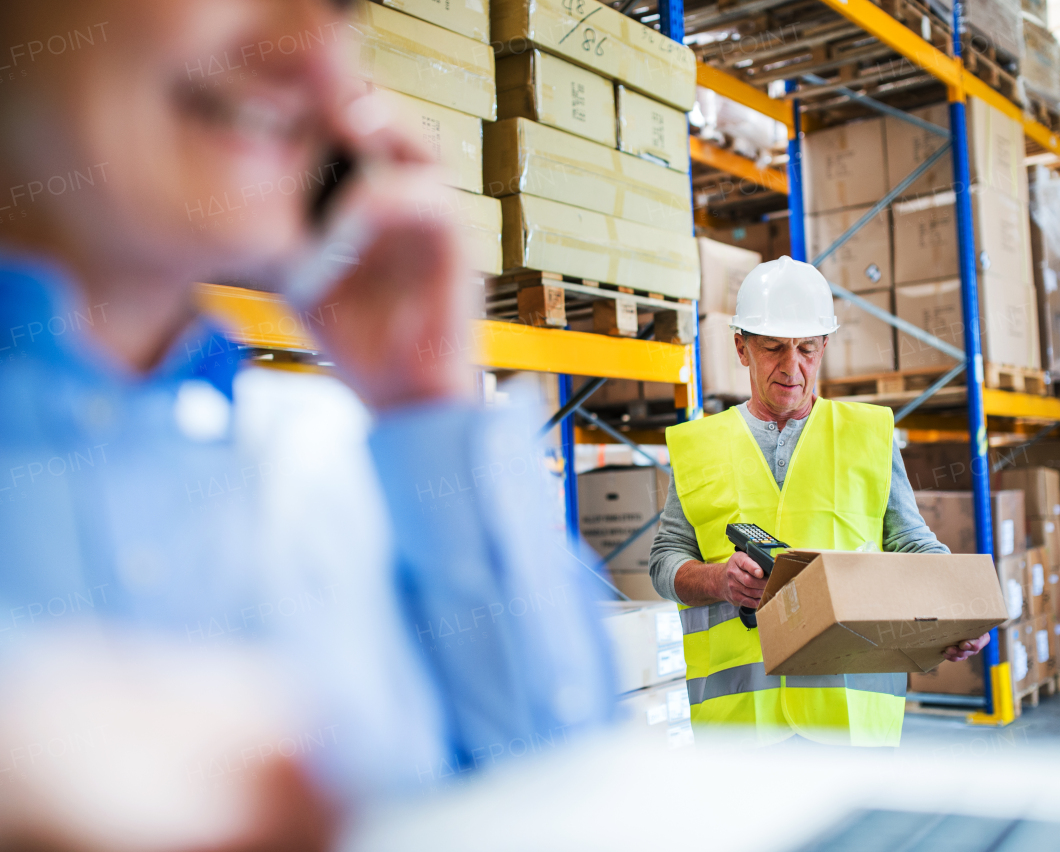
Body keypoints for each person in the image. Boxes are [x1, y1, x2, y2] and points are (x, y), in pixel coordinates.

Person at [0, 0, 613, 822]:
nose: (307, 53)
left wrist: (422, 401)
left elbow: (584, 802)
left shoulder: (351, 465)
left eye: (337, 6)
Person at [649, 257, 989, 747]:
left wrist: (958, 612)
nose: (792, 367)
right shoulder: (700, 445)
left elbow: (913, 543)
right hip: (741, 724)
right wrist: (719, 580)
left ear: (825, 346)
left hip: (849, 718)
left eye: (807, 349)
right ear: (742, 348)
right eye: (773, 349)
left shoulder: (867, 435)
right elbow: (665, 561)